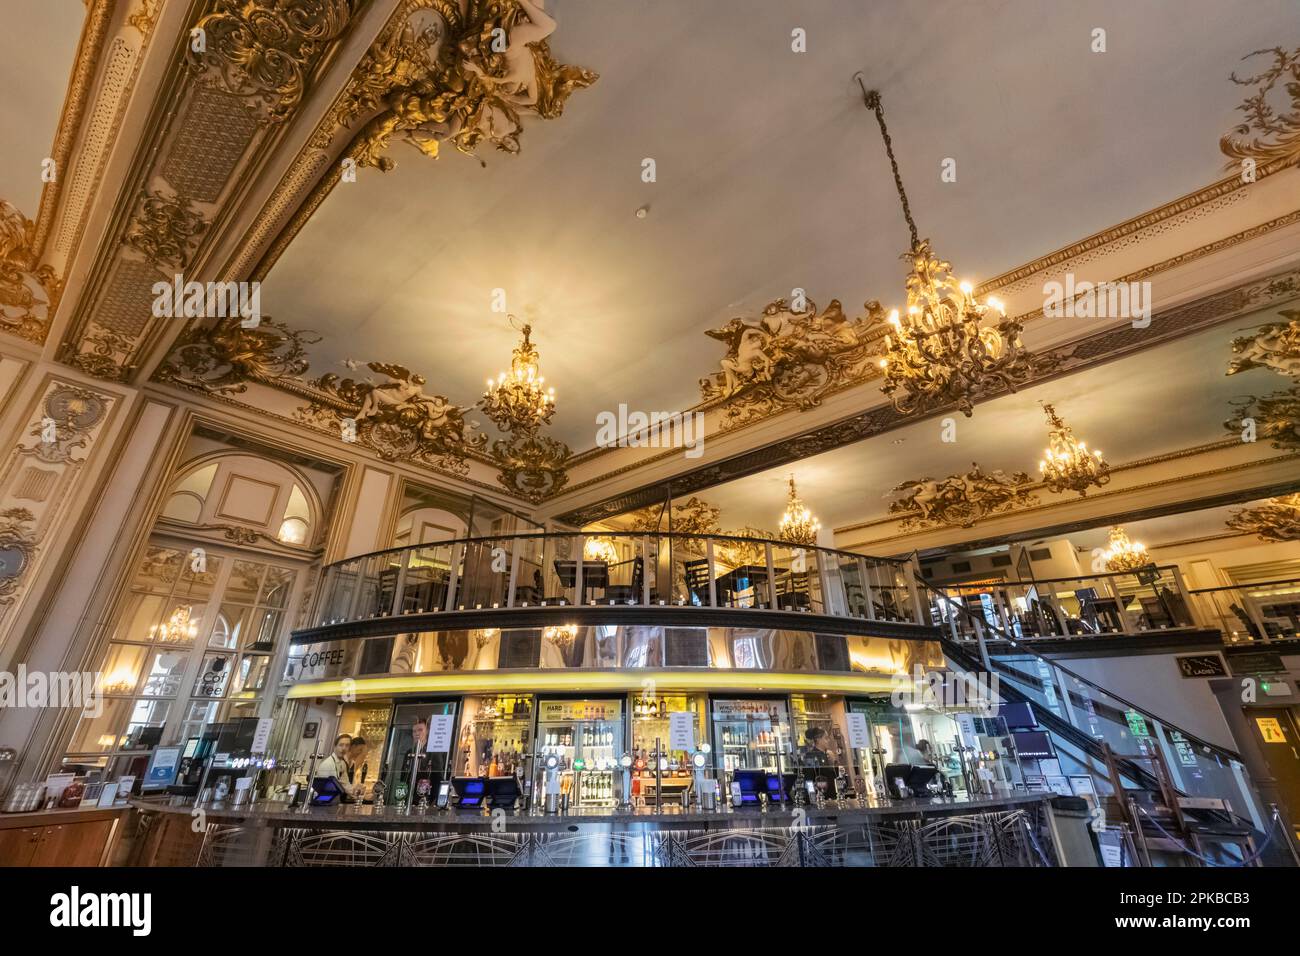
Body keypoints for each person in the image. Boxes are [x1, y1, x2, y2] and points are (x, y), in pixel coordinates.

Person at [316, 733, 357, 801]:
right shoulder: (327, 764)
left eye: (347, 745)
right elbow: (324, 789)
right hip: (324, 801)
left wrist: (356, 793)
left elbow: (345, 783)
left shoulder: (342, 763)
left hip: (335, 801)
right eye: (341, 745)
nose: (344, 748)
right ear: (335, 746)